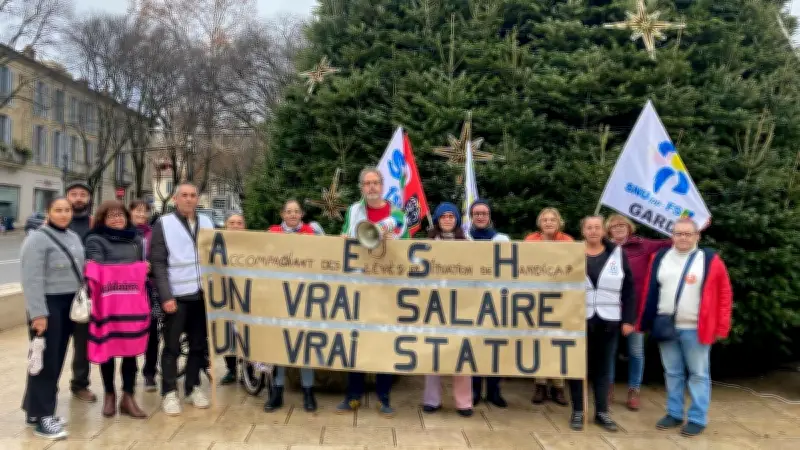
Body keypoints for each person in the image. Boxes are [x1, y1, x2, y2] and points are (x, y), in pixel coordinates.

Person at [637, 218, 732, 437]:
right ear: (672, 236)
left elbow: (725, 294)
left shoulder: (709, 259)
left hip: (695, 329)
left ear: (697, 236)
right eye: (678, 233)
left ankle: (698, 418)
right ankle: (674, 413)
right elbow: (649, 291)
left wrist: (721, 326)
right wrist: (643, 320)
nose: (683, 238)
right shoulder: (660, 257)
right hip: (666, 326)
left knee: (698, 374)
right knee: (672, 372)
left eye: (688, 234)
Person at [337, 167, 408, 417]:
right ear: (361, 187)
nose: (371, 187)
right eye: (366, 183)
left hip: (386, 288)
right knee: (356, 340)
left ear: (382, 185)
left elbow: (407, 246)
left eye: (375, 183)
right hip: (360, 286)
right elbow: (344, 238)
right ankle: (353, 395)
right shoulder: (354, 211)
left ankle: (384, 396)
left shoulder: (397, 214)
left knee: (384, 341)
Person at [20, 197, 84, 440]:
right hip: (48, 305)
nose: (64, 214)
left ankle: (35, 411)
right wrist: (38, 314)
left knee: (54, 359)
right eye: (58, 210)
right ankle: (44, 416)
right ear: (48, 212)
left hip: (68, 304)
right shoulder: (37, 239)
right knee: (44, 360)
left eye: (67, 210)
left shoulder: (73, 236)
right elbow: (31, 279)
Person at [150, 183, 215, 415]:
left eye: (193, 195)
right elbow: (157, 261)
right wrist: (166, 295)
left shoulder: (207, 223)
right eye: (184, 196)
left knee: (198, 345)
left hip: (202, 295)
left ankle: (192, 386)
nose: (189, 199)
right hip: (176, 295)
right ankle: (169, 392)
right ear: (176, 199)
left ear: (198, 198)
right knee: (172, 346)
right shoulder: (163, 223)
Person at [567, 215, 636, 432]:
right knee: (578, 368)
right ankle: (578, 410)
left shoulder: (617, 253)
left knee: (604, 368)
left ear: (603, 231)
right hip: (580, 320)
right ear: (583, 231)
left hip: (610, 321)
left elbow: (629, 289)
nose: (594, 231)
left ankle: (602, 412)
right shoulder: (573, 254)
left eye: (597, 227)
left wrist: (628, 319)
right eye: (589, 227)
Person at [84, 201, 148, 418]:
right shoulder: (95, 239)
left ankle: (128, 396)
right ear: (102, 219)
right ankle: (109, 394)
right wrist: (136, 270)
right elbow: (98, 269)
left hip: (132, 305)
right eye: (111, 216)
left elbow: (141, 268)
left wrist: (140, 270)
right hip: (107, 305)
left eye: (120, 215)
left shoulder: (136, 239)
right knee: (108, 351)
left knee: (131, 352)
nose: (117, 219)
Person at [263, 201, 324, 413]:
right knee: (280, 344)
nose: (292, 214)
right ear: (282, 213)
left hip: (305, 297)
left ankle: (308, 390)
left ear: (302, 214)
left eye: (296, 211)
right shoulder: (272, 232)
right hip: (279, 297)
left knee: (305, 344)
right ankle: (277, 391)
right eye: (288, 211)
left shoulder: (313, 233)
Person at [605, 214, 671, 410]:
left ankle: (634, 390)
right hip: (609, 308)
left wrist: (697, 226)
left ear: (629, 227)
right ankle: (607, 387)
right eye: (614, 226)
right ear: (608, 230)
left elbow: (670, 241)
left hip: (635, 308)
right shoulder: (603, 247)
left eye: (622, 225)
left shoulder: (642, 245)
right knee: (609, 352)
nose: (618, 228)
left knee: (635, 352)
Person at [421, 202, 473, 417]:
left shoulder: (468, 244)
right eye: (444, 216)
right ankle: (431, 400)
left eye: (452, 216)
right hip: (434, 304)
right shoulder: (429, 243)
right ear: (438, 220)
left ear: (457, 220)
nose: (448, 219)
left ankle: (464, 403)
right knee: (432, 353)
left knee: (462, 355)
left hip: (460, 305)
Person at [524, 207, 572, 406]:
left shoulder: (568, 242)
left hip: (561, 298)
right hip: (536, 297)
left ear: (559, 222)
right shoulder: (530, 241)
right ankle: (540, 384)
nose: (549, 222)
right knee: (539, 342)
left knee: (557, 342)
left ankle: (558, 386)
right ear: (539, 223)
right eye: (545, 219)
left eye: (553, 219)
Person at [466, 199, 509, 408]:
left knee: (494, 348)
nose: (480, 216)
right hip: (471, 301)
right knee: (473, 348)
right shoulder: (464, 240)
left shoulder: (502, 239)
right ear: (471, 217)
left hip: (495, 301)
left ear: (489, 216)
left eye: (484, 213)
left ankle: (494, 390)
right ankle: (474, 391)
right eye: (476, 213)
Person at [64, 181, 96, 403]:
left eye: (82, 195)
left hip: (85, 292)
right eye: (74, 194)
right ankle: (47, 387)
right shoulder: (56, 223)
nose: (78, 198)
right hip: (58, 293)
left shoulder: (95, 224)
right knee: (52, 344)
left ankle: (80, 384)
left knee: (82, 343)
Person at [132, 200, 162, 392]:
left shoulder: (154, 234)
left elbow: (160, 258)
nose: (142, 215)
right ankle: (130, 370)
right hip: (129, 290)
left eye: (145, 211)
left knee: (152, 332)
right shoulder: (123, 234)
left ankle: (149, 372)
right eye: (138, 211)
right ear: (130, 212)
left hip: (150, 289)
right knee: (130, 331)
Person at [220, 212, 247, 387]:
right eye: (232, 223)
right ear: (226, 225)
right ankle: (231, 369)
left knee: (245, 334)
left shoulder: (251, 244)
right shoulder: (218, 243)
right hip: (224, 294)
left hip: (246, 295)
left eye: (239, 223)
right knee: (226, 332)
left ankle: (248, 370)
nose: (236, 226)